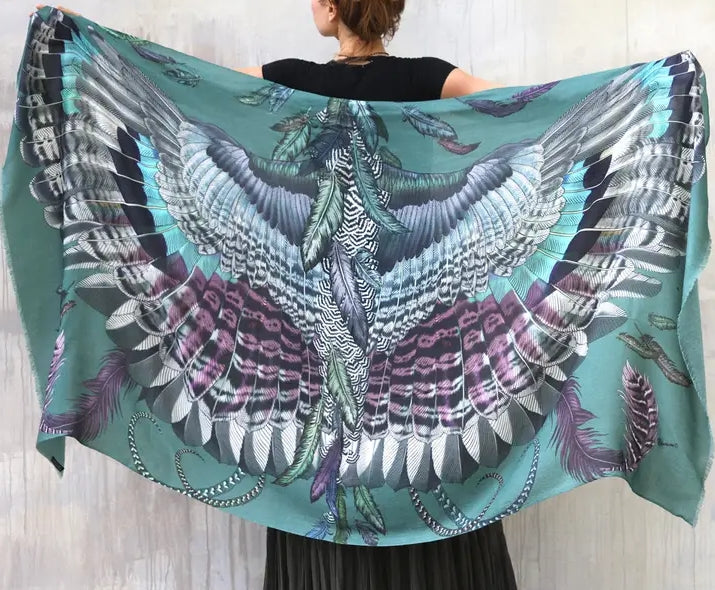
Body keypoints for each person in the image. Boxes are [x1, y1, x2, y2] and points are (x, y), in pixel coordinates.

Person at [237, 2, 517, 589]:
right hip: (418, 328)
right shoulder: (428, 77)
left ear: (333, 6)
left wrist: (86, 45)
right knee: (426, 450)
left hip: (326, 326)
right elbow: (522, 108)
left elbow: (186, 85)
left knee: (328, 458)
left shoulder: (293, 81)